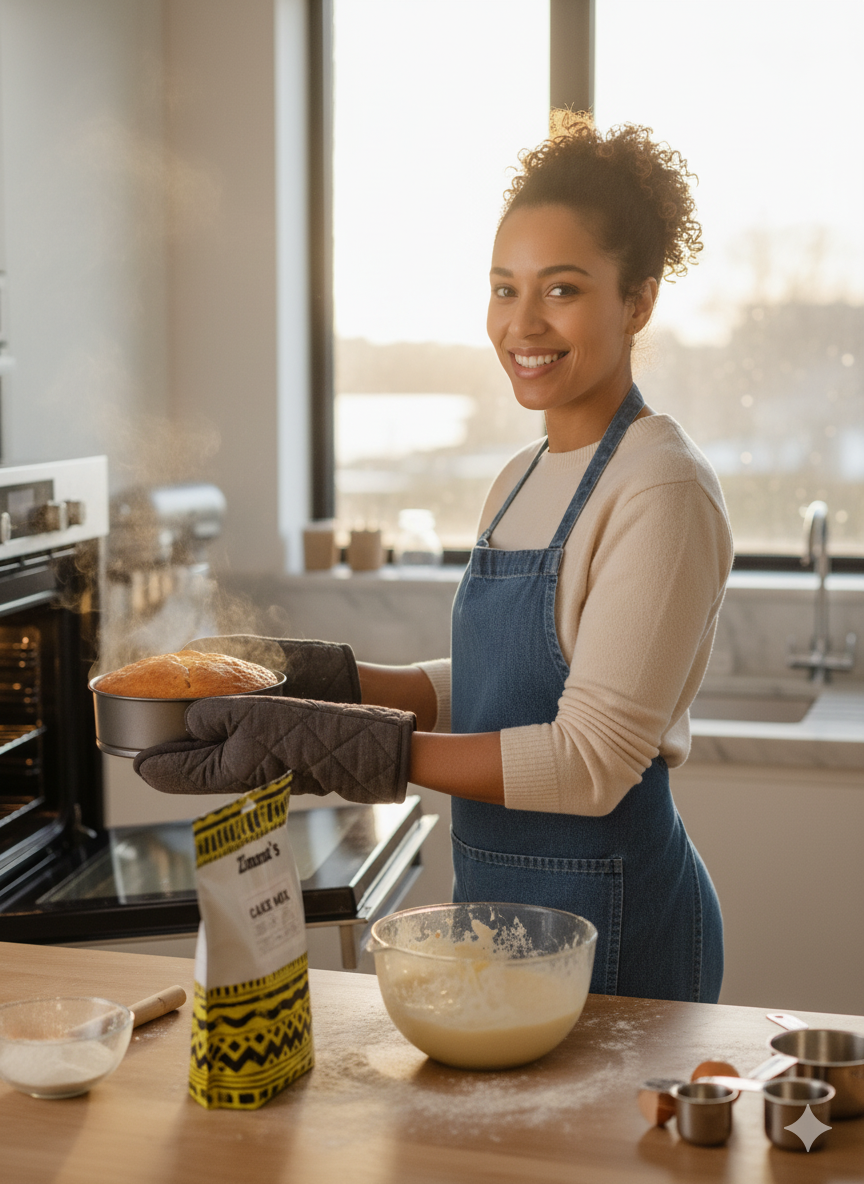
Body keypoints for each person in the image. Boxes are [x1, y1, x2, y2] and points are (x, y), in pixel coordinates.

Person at [137, 113, 732, 1004]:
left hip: (613, 923)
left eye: (561, 290)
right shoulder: (520, 477)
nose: (521, 323)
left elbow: (589, 758)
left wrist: (353, 749)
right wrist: (326, 684)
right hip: (501, 906)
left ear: (637, 300)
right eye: (503, 288)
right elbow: (513, 678)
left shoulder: (661, 485)